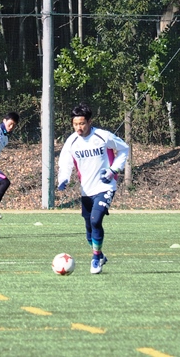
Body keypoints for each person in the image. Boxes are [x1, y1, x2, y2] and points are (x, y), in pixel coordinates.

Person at [57, 103, 129, 274]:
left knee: (96, 220)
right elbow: (65, 163)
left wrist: (113, 170)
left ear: (89, 121)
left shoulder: (103, 136)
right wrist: (63, 179)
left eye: (82, 123)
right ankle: (100, 254)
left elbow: (124, 149)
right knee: (89, 230)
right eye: (75, 124)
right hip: (86, 190)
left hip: (105, 186)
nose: (78, 128)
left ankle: (96, 258)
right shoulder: (72, 141)